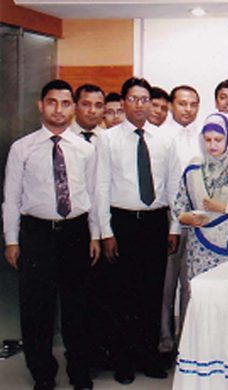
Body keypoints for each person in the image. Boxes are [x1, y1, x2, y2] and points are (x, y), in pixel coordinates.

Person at [3, 79, 99, 390]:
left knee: (78, 307)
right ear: (41, 106)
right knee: (37, 309)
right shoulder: (22, 148)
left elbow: (93, 195)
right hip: (36, 234)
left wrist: (95, 235)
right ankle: (43, 373)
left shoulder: (85, 149)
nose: (59, 109)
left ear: (73, 107)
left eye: (66, 103)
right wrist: (12, 240)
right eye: (52, 102)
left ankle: (79, 370)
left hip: (76, 233)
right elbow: (11, 197)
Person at [95, 77, 180, 383]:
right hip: (122, 222)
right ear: (124, 102)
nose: (140, 105)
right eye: (134, 99)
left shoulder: (164, 140)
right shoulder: (108, 139)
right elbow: (101, 186)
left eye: (145, 99)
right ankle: (124, 362)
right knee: (122, 296)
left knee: (151, 294)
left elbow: (173, 186)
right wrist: (105, 232)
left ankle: (149, 357)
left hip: (156, 222)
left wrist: (174, 227)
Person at [174, 112, 228, 276]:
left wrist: (227, 208)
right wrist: (183, 217)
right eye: (208, 140)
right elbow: (179, 204)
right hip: (199, 248)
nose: (212, 145)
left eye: (218, 140)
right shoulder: (194, 168)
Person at [157, 84, 202, 362]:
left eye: (193, 104)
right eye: (182, 103)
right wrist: (174, 222)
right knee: (165, 284)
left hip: (197, 222)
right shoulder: (159, 137)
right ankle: (164, 342)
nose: (188, 109)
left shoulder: (203, 137)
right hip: (167, 220)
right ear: (172, 105)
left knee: (190, 285)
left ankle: (186, 344)